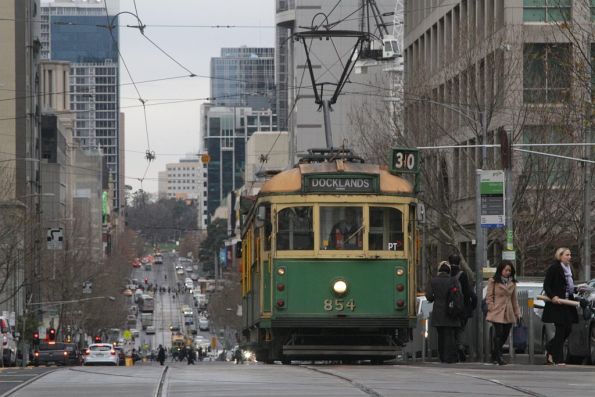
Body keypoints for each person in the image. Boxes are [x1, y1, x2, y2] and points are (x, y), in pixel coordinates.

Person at [542, 247, 578, 365]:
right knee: (561, 330)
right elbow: (547, 285)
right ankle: (558, 359)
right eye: (567, 255)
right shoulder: (554, 268)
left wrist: (577, 289)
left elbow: (568, 287)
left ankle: (550, 348)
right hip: (557, 304)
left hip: (567, 303)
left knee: (568, 329)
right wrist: (553, 297)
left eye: (570, 255)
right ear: (560, 256)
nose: (569, 257)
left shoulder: (569, 269)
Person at [425, 261, 462, 363]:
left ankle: (442, 356)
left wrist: (435, 298)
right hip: (451, 311)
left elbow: (429, 296)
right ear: (449, 270)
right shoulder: (453, 280)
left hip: (439, 312)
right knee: (450, 335)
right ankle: (451, 357)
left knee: (441, 335)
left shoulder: (433, 281)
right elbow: (459, 295)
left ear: (439, 270)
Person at [485, 261, 521, 365]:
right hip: (497, 311)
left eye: (509, 270)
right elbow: (489, 296)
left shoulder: (512, 283)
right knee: (499, 333)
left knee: (505, 334)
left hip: (508, 312)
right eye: (506, 270)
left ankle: (495, 353)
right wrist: (491, 307)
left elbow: (514, 299)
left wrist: (517, 313)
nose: (508, 272)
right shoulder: (493, 281)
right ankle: (499, 356)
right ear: (501, 270)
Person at [448, 254, 477, 362]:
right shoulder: (462, 275)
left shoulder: (447, 274)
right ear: (459, 262)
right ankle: (460, 347)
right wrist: (469, 308)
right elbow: (467, 293)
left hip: (449, 308)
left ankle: (452, 350)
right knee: (460, 330)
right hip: (462, 308)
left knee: (450, 330)